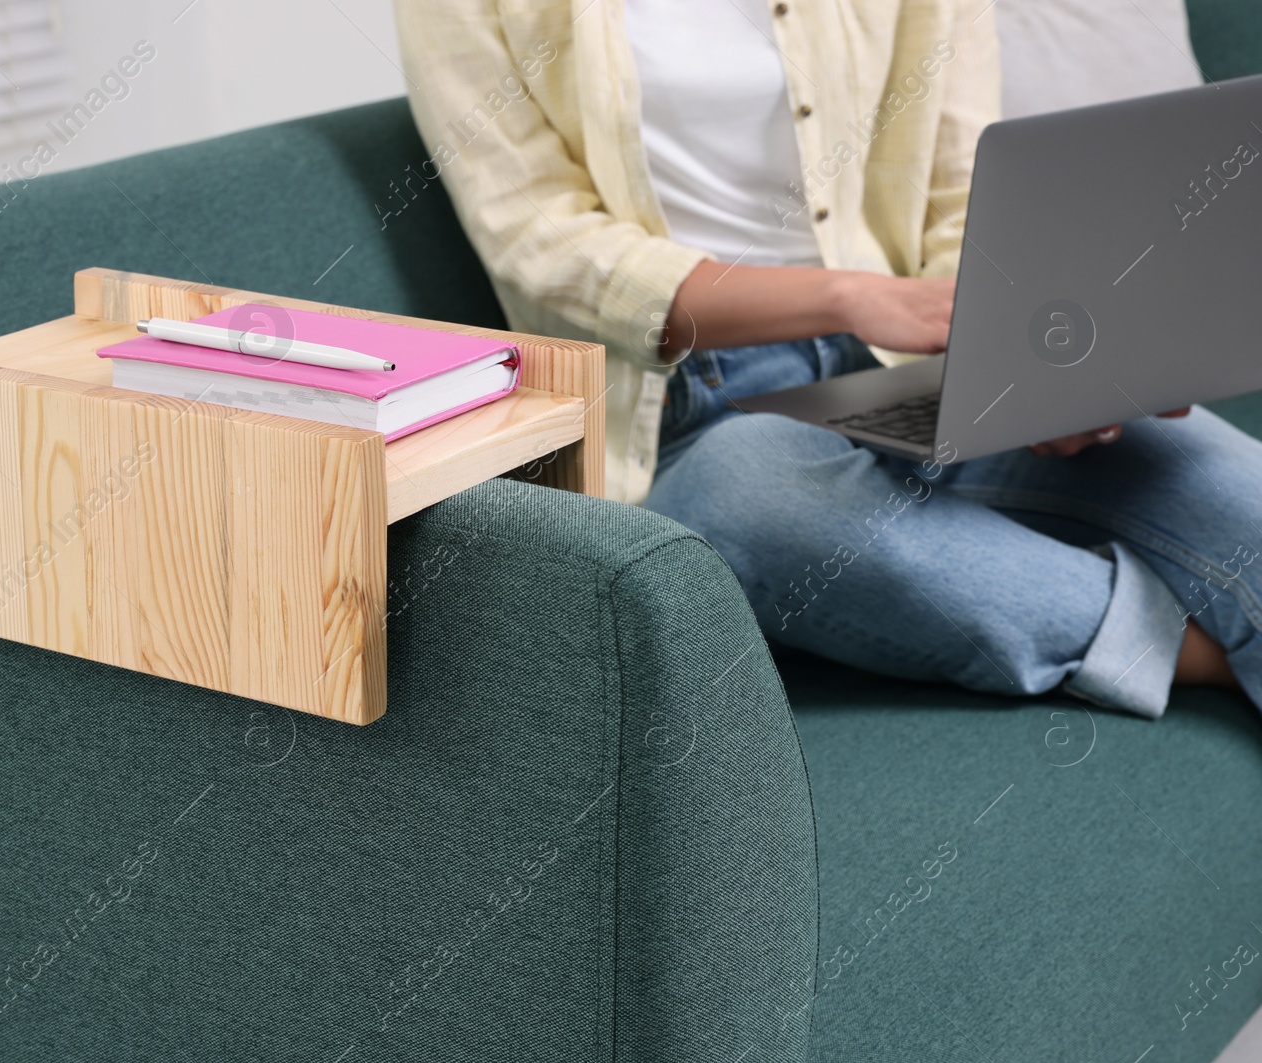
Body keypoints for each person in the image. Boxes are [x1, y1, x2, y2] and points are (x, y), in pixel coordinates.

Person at [392, 0, 1262, 718]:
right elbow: (540, 243)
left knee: (1240, 502)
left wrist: (1028, 371)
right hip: (694, 407)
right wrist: (850, 294)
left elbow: (965, 185)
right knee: (759, 506)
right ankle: (1200, 655)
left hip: (918, 355)